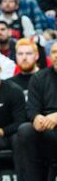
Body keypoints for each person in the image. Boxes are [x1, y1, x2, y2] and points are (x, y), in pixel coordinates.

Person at [15, 42, 57, 181]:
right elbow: (32, 109)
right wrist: (37, 118)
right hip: (47, 129)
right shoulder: (39, 77)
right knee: (25, 130)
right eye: (54, 52)